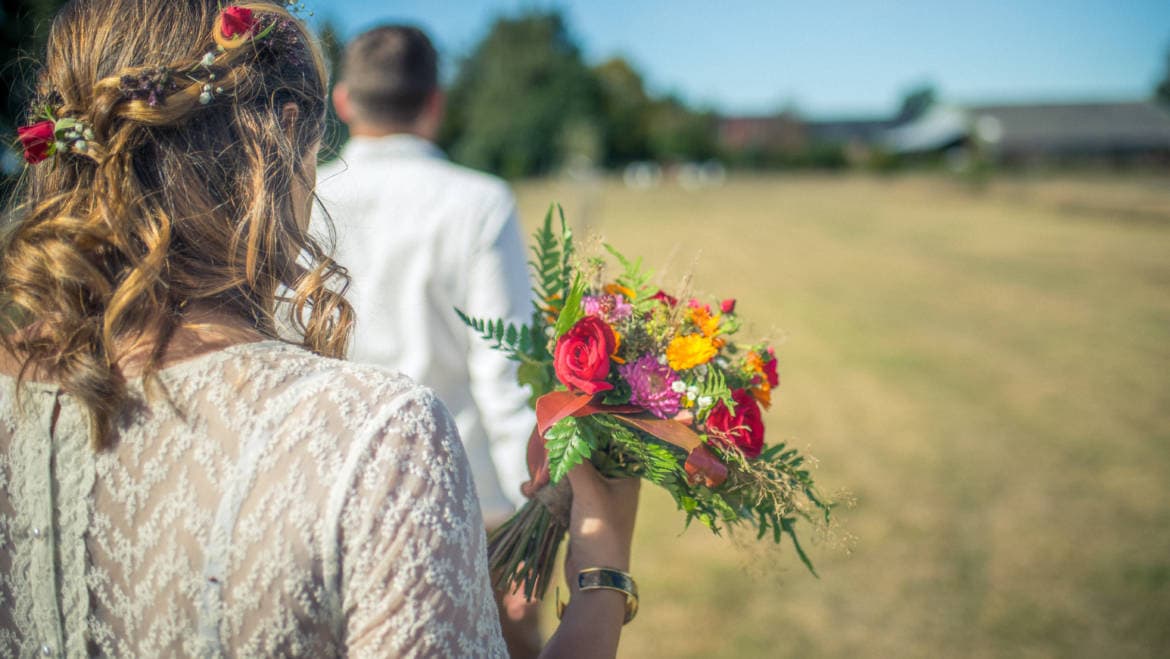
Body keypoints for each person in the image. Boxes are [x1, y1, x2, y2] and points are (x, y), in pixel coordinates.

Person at [0, 1, 637, 657]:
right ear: (286, 132)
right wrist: (593, 561)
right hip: (408, 484)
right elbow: (499, 367)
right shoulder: (394, 430)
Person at [313, 26, 543, 655]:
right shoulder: (479, 201)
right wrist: (535, 504)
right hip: (468, 496)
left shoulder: (303, 196)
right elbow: (504, 365)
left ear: (343, 102)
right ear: (435, 103)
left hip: (327, 491)